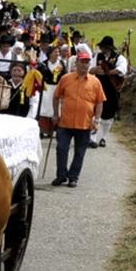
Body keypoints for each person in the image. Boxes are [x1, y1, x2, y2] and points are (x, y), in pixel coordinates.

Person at [50, 46, 105, 188]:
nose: (84, 64)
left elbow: (99, 102)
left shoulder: (95, 82)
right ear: (76, 63)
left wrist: (97, 120)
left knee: (79, 152)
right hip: (65, 122)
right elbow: (56, 97)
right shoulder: (65, 79)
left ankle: (73, 177)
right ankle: (61, 175)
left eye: (87, 62)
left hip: (85, 123)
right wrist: (55, 114)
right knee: (61, 149)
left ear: (89, 64)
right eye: (82, 61)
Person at [89, 35, 128, 147]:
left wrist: (108, 72)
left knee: (109, 114)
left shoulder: (119, 58)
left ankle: (103, 137)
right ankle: (93, 137)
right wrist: (96, 69)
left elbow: (122, 70)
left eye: (103, 47)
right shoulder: (97, 56)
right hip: (97, 87)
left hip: (111, 89)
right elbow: (90, 69)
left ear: (109, 47)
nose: (101, 49)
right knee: (95, 112)